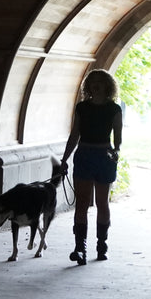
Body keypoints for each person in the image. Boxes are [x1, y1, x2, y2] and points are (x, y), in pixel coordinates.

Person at [59, 68, 123, 264]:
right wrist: (64, 160)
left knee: (102, 202)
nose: (96, 85)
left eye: (100, 81)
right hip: (85, 153)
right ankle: (80, 247)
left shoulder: (114, 110)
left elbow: (118, 139)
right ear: (88, 86)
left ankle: (102, 245)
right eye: (92, 81)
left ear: (107, 86)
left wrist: (116, 153)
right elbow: (74, 135)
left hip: (103, 155)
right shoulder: (82, 108)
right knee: (82, 202)